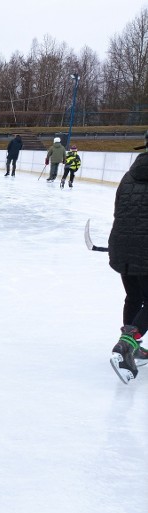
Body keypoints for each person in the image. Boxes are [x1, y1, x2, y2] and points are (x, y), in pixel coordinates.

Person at [107, 130, 148, 383]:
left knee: (134, 296)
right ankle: (126, 345)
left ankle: (133, 345)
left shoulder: (129, 175)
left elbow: (118, 208)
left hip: (122, 245)